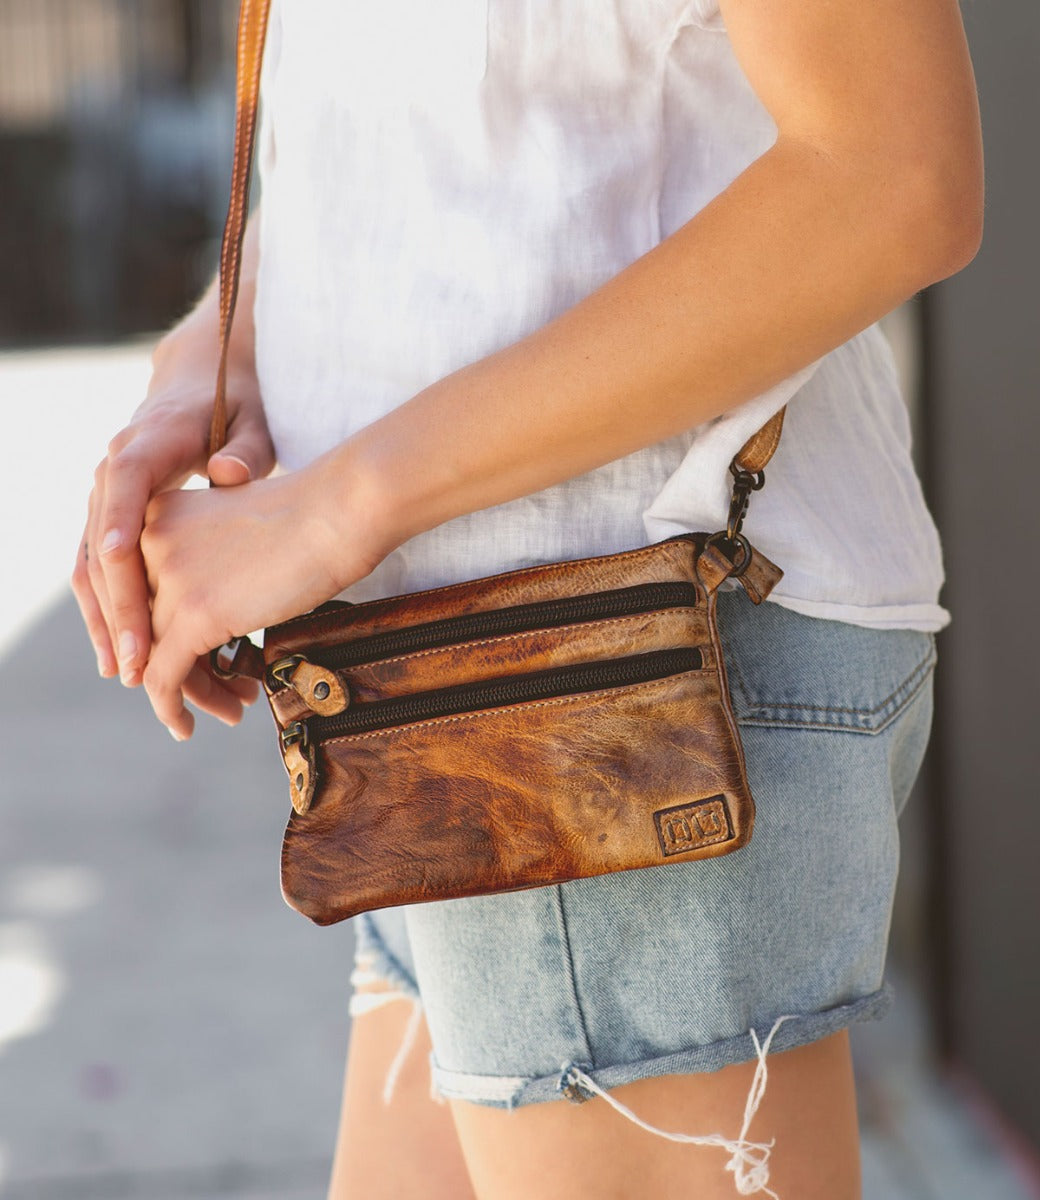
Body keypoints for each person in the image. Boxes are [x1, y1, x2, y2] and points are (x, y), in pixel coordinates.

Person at [72, 0, 983, 1196]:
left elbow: (891, 173)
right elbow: (420, 155)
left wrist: (333, 509)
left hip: (623, 676)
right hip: (427, 693)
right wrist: (206, 367)